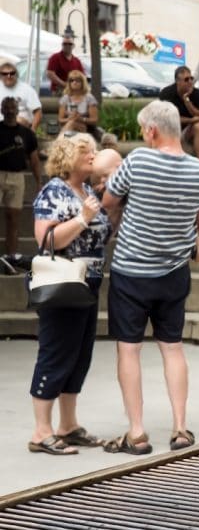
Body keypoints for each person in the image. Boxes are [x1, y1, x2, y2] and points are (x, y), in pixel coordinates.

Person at [101, 100, 199, 455]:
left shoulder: (137, 160)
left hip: (131, 273)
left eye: (142, 130)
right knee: (173, 348)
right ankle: (180, 428)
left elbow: (108, 200)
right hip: (173, 273)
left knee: (129, 350)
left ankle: (137, 432)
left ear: (151, 130)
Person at [27, 134, 112, 455]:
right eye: (84, 151)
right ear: (66, 157)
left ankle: (68, 425)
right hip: (62, 282)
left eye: (93, 150)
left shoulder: (88, 190)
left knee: (79, 354)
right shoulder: (53, 191)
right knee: (56, 351)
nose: (92, 155)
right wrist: (82, 219)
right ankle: (41, 431)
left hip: (88, 282)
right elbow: (46, 241)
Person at [0, 97, 42, 271]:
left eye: (13, 108)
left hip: (17, 178)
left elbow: (34, 160)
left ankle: (11, 260)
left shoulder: (27, 134)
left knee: (14, 220)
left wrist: (39, 182)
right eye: (6, 108)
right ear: (2, 110)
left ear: (17, 110)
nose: (10, 111)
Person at [158, 65, 199, 162]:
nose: (190, 82)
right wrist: (190, 120)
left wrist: (187, 100)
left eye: (191, 78)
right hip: (171, 129)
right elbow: (167, 118)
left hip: (188, 130)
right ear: (178, 81)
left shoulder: (197, 93)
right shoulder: (167, 93)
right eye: (186, 79)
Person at [0, 61, 42, 131]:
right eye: (5, 74)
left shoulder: (27, 89)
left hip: (20, 124)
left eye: (12, 73)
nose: (9, 76)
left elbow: (38, 112)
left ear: (16, 74)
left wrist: (32, 130)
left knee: (16, 120)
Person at [57, 70, 100, 138]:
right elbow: (60, 119)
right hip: (68, 125)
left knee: (73, 123)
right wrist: (70, 119)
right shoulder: (65, 98)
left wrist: (81, 119)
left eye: (77, 80)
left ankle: (60, 142)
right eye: (72, 80)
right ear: (69, 83)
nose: (74, 82)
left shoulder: (89, 98)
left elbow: (94, 120)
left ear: (82, 82)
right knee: (72, 123)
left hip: (86, 127)